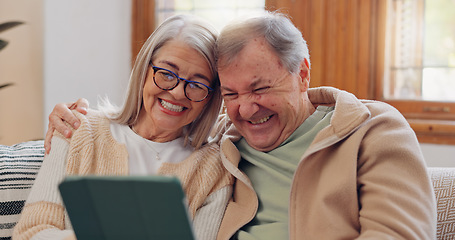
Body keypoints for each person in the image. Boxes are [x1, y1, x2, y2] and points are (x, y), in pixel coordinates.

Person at [45, 11, 437, 239]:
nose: (246, 109)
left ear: (302, 75)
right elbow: (158, 122)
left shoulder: (373, 130)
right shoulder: (220, 140)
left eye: (260, 88)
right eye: (229, 94)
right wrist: (74, 120)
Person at [13, 14, 233, 240]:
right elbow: (29, 234)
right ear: (144, 69)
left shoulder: (213, 167)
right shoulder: (76, 129)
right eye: (167, 74)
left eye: (197, 84)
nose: (177, 92)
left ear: (210, 97)